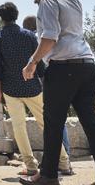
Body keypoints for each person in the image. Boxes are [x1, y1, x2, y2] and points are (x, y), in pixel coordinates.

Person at [20, 0, 95, 185]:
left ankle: (48, 176)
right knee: (91, 122)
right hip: (87, 66)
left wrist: (32, 62)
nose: (36, 1)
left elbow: (50, 38)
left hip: (63, 67)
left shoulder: (48, 1)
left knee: (53, 122)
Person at [0, 2, 71, 177]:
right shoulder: (29, 35)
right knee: (48, 125)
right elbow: (39, 62)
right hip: (33, 86)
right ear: (16, 15)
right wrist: (45, 83)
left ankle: (31, 165)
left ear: (1, 18)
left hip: (10, 87)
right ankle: (64, 163)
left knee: (19, 128)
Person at [23, 14, 71, 157]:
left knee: (49, 122)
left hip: (38, 85)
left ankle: (59, 155)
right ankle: (65, 153)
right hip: (55, 80)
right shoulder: (45, 38)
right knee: (58, 120)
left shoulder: (28, 39)